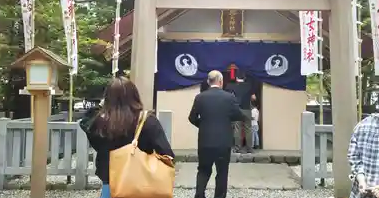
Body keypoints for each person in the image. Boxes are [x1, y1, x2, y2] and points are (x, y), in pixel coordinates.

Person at [79, 76, 174, 198]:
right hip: (143, 184)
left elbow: (85, 121)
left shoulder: (100, 122)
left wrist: (102, 105)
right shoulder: (148, 120)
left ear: (107, 98)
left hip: (112, 183)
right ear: (135, 95)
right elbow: (166, 153)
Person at [188, 70, 249, 198]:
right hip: (223, 142)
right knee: (222, 172)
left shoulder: (200, 97)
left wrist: (203, 125)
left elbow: (192, 118)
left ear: (208, 82)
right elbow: (239, 115)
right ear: (221, 82)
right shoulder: (229, 97)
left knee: (203, 170)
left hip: (205, 141)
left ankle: (199, 195)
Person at [225, 71, 256, 153]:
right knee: (248, 129)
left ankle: (237, 147)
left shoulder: (232, 86)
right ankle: (249, 148)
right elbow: (254, 98)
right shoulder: (249, 85)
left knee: (237, 129)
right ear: (244, 78)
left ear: (236, 78)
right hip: (247, 109)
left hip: (237, 109)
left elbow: (229, 97)